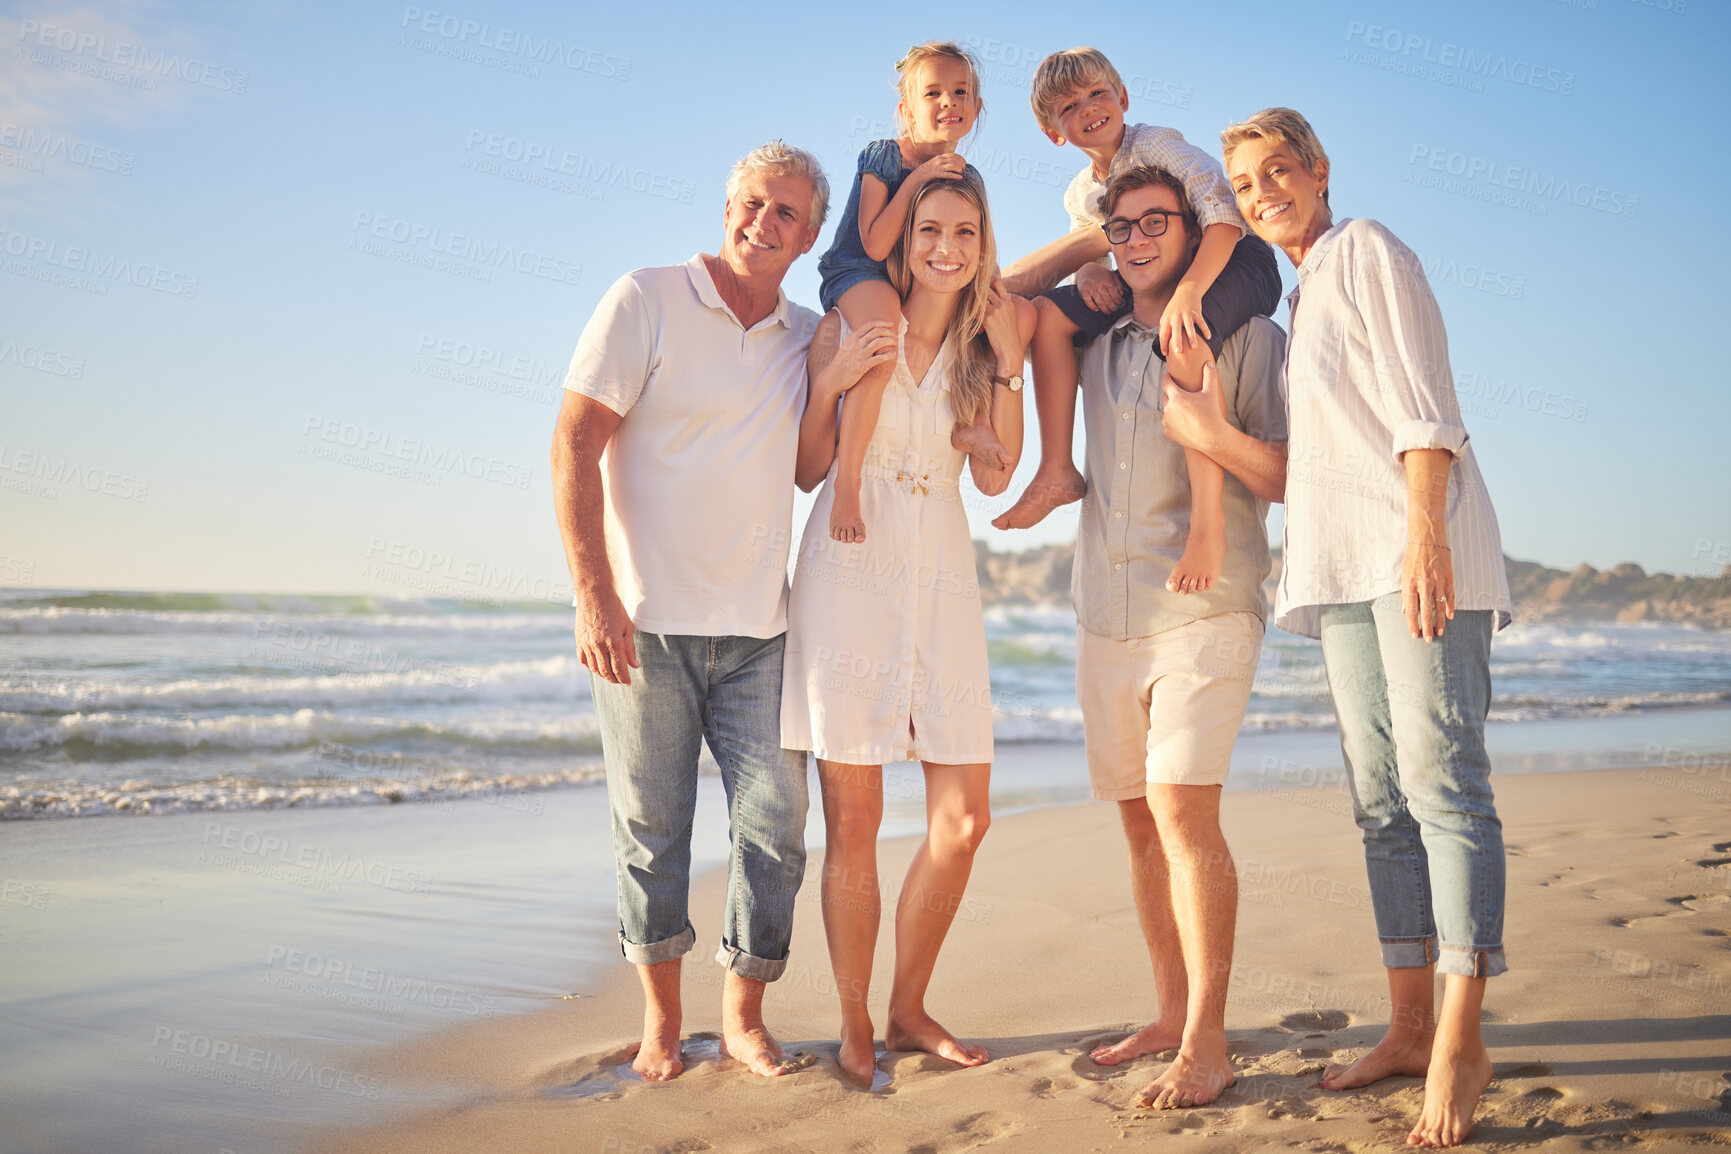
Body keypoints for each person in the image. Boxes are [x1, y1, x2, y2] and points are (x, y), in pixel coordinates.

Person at [1221, 107, 1514, 1148]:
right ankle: (1405, 1023)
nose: (1265, 195)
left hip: (1413, 552)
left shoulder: (1369, 250)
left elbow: (1426, 405)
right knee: (1381, 804)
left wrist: (1426, 536)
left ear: (1319, 169)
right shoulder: (1302, 299)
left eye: (1278, 172)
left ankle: (1460, 1040)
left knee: (1444, 785)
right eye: (1247, 186)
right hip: (1342, 569)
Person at [550, 141, 828, 1083]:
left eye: (786, 213)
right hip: (645, 623)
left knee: (777, 825)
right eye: (752, 203)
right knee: (651, 828)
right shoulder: (646, 297)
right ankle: (662, 1024)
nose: (763, 222)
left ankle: (743, 1015)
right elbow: (574, 440)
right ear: (725, 206)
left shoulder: (807, 332)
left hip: (763, 628)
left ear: (810, 234)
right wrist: (593, 592)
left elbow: (814, 458)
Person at [783, 169, 1036, 1086]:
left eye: (965, 233)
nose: (946, 248)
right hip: (849, 568)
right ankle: (853, 1021)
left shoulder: (979, 345)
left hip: (942, 575)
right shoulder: (846, 326)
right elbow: (810, 469)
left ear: (981, 245)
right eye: (931, 228)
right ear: (904, 236)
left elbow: (1002, 475)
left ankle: (907, 1006)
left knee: (963, 820)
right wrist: (830, 382)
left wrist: (1007, 367)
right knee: (855, 818)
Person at [1061, 164, 1289, 1109]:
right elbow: (1004, 298)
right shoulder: (1092, 342)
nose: (1139, 237)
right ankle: (1165, 1010)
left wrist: (1210, 430)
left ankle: (1206, 1038)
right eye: (1122, 225)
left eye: (1158, 220)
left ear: (1193, 232)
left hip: (1207, 609)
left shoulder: (1249, 338)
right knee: (1137, 824)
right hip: (1102, 617)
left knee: (1184, 814)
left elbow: (1283, 476)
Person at [994, 47, 1282, 602]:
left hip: (1235, 260)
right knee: (1048, 315)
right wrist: (1083, 274)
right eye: (1069, 106)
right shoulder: (1083, 192)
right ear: (1055, 132)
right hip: (1157, 268)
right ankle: (1057, 468)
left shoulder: (1156, 145)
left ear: (1122, 98)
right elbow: (1100, 247)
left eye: (1098, 95)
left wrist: (1190, 294)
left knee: (1183, 336)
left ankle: (1207, 526)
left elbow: (1223, 217)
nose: (1089, 109)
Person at [816, 40, 1009, 545]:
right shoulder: (884, 155)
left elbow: (980, 245)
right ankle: (848, 485)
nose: (948, 102)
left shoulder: (967, 175)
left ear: (976, 108)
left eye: (960, 91)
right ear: (906, 109)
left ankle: (975, 420)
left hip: (913, 275)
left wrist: (994, 287)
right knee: (884, 349)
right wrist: (919, 176)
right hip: (862, 271)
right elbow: (877, 242)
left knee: (981, 314)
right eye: (933, 93)